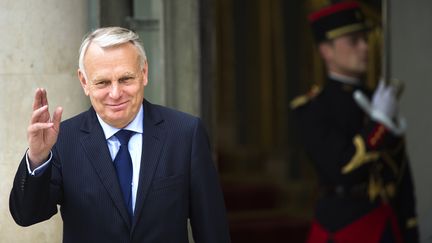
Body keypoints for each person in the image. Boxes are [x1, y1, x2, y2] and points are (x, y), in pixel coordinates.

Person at [9, 26, 231, 243]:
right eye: (103, 82)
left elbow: (212, 230)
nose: (115, 93)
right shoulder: (63, 139)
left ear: (144, 73)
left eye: (125, 79)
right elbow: (27, 215)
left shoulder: (185, 134)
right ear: (84, 82)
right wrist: (37, 158)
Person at [291, 1, 419, 242]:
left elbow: (401, 176)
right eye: (353, 41)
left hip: (386, 224)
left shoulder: (378, 98)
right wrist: (380, 123)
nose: (364, 48)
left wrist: (410, 228)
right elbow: (342, 168)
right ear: (326, 50)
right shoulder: (314, 108)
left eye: (365, 39)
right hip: (343, 227)